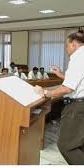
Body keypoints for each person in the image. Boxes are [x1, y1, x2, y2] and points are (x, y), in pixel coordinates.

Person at [34, 32, 84, 164]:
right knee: (80, 143)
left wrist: (45, 93)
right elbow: (78, 82)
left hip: (77, 106)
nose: (66, 49)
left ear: (73, 44)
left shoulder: (78, 57)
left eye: (66, 46)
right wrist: (60, 74)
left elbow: (68, 88)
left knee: (66, 146)